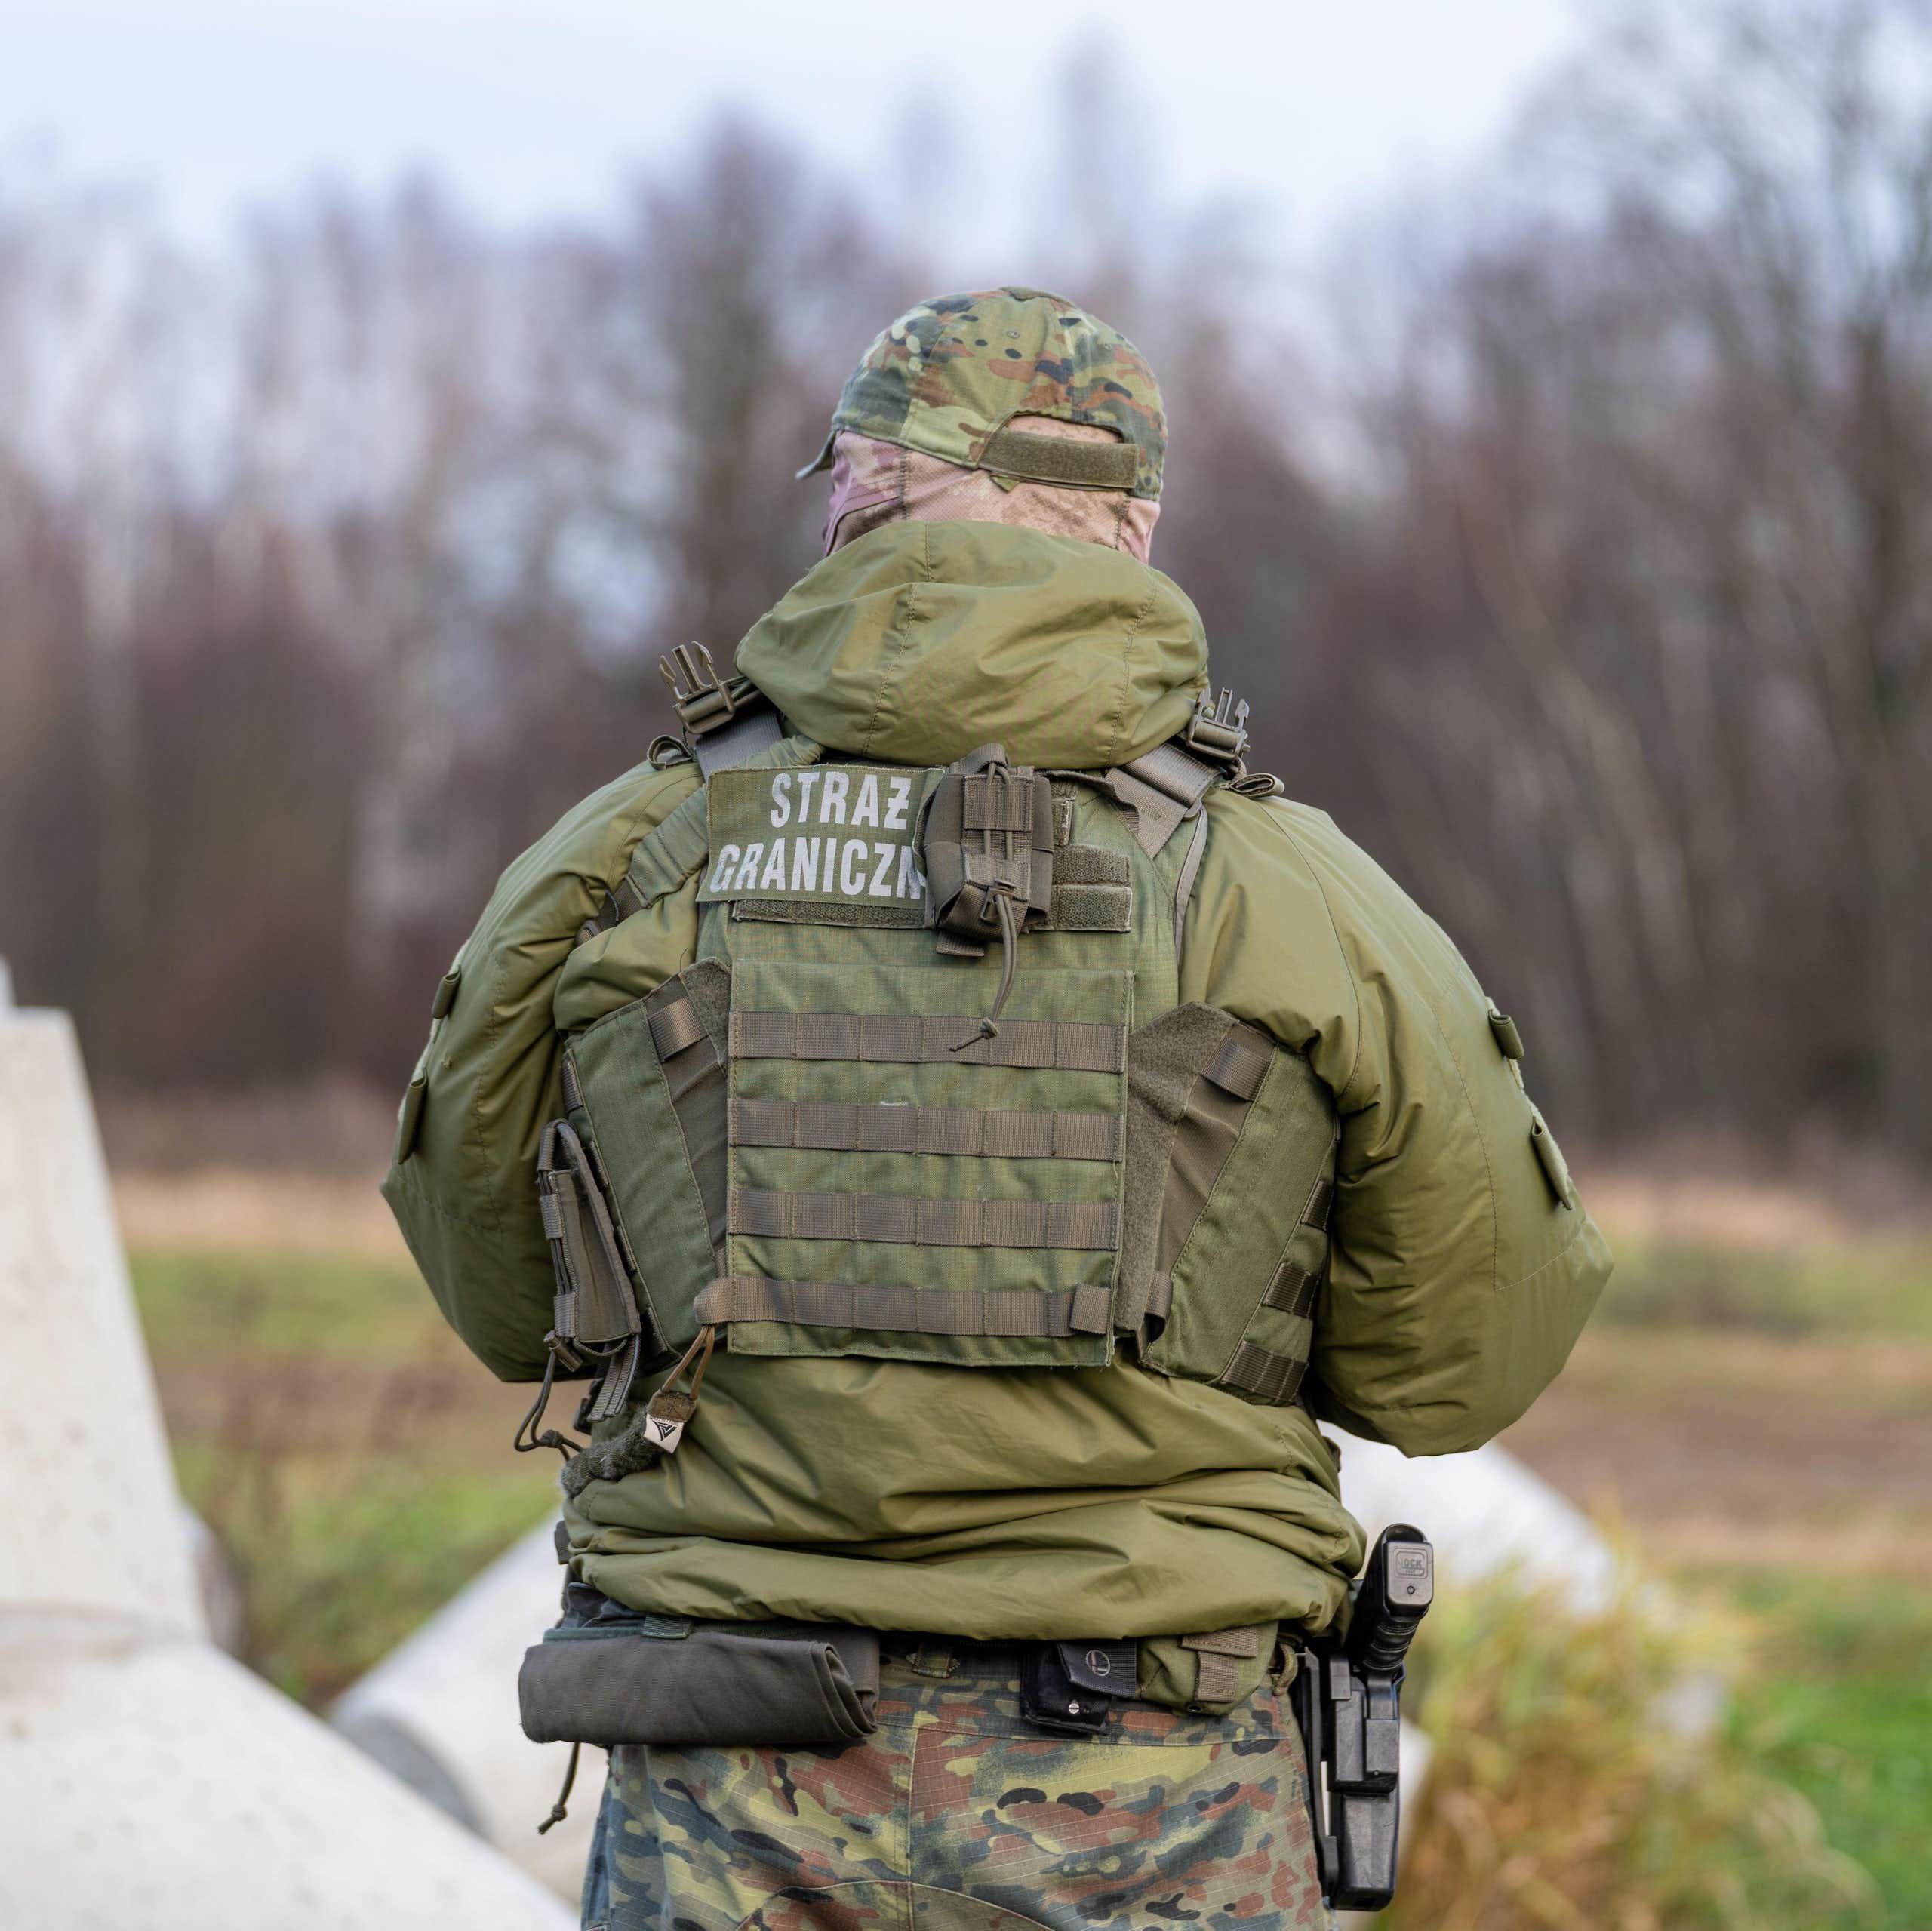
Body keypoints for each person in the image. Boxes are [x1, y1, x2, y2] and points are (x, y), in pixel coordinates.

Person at [383, 287, 1612, 1931]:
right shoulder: (1293, 892)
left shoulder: (623, 854)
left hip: (729, 1786)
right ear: (1130, 531)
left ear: (861, 498)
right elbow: (1458, 1361)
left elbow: (502, 1292)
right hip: (1154, 1794)